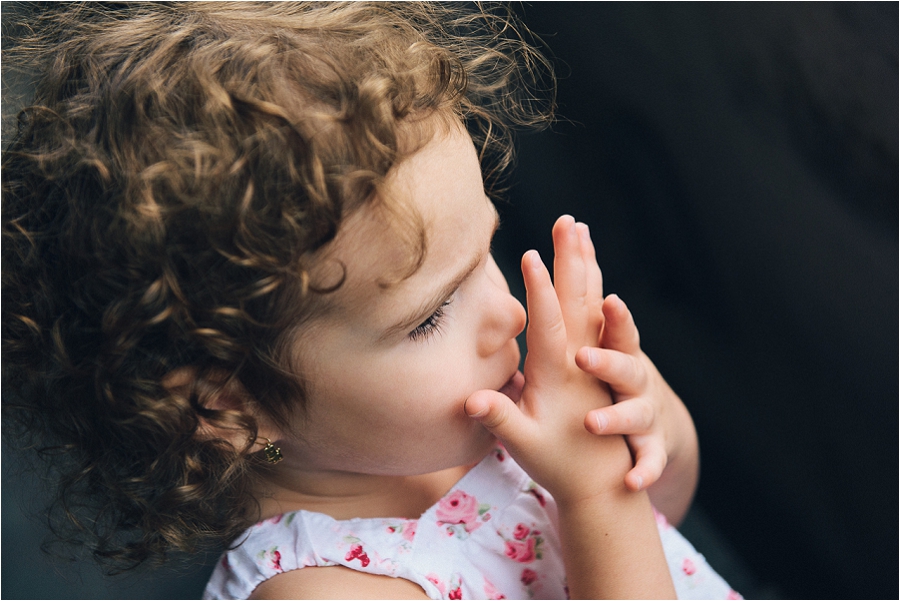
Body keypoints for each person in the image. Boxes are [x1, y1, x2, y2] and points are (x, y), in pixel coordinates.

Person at [2, 3, 738, 599]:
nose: (509, 314)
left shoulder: (454, 422)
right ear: (225, 410)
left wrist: (644, 432)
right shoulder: (322, 589)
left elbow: (661, 520)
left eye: (485, 251)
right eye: (429, 315)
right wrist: (594, 489)